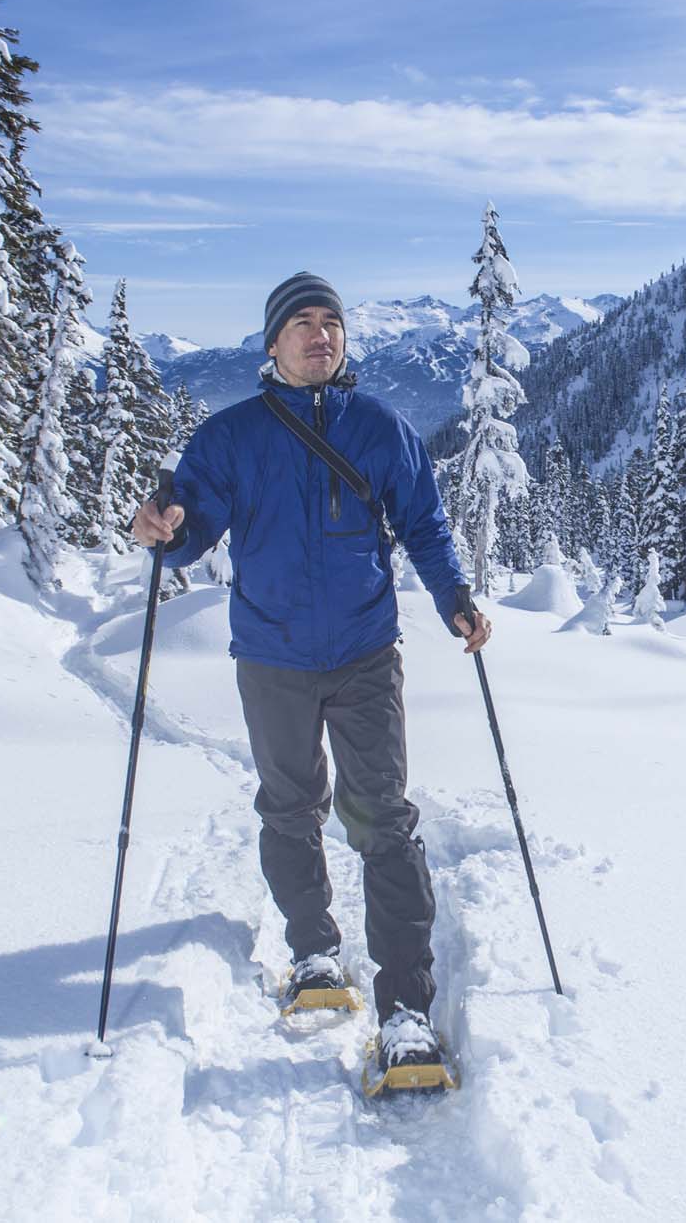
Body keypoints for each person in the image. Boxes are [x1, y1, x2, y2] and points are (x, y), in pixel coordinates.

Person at [130, 271, 488, 1072]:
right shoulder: (231, 438)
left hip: (365, 651)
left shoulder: (382, 428)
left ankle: (405, 1009)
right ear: (273, 342)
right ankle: (315, 953)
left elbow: (425, 525)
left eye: (331, 321)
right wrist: (163, 526)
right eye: (303, 323)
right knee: (290, 808)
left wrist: (454, 598)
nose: (320, 334)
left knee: (384, 821)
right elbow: (187, 523)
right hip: (272, 657)